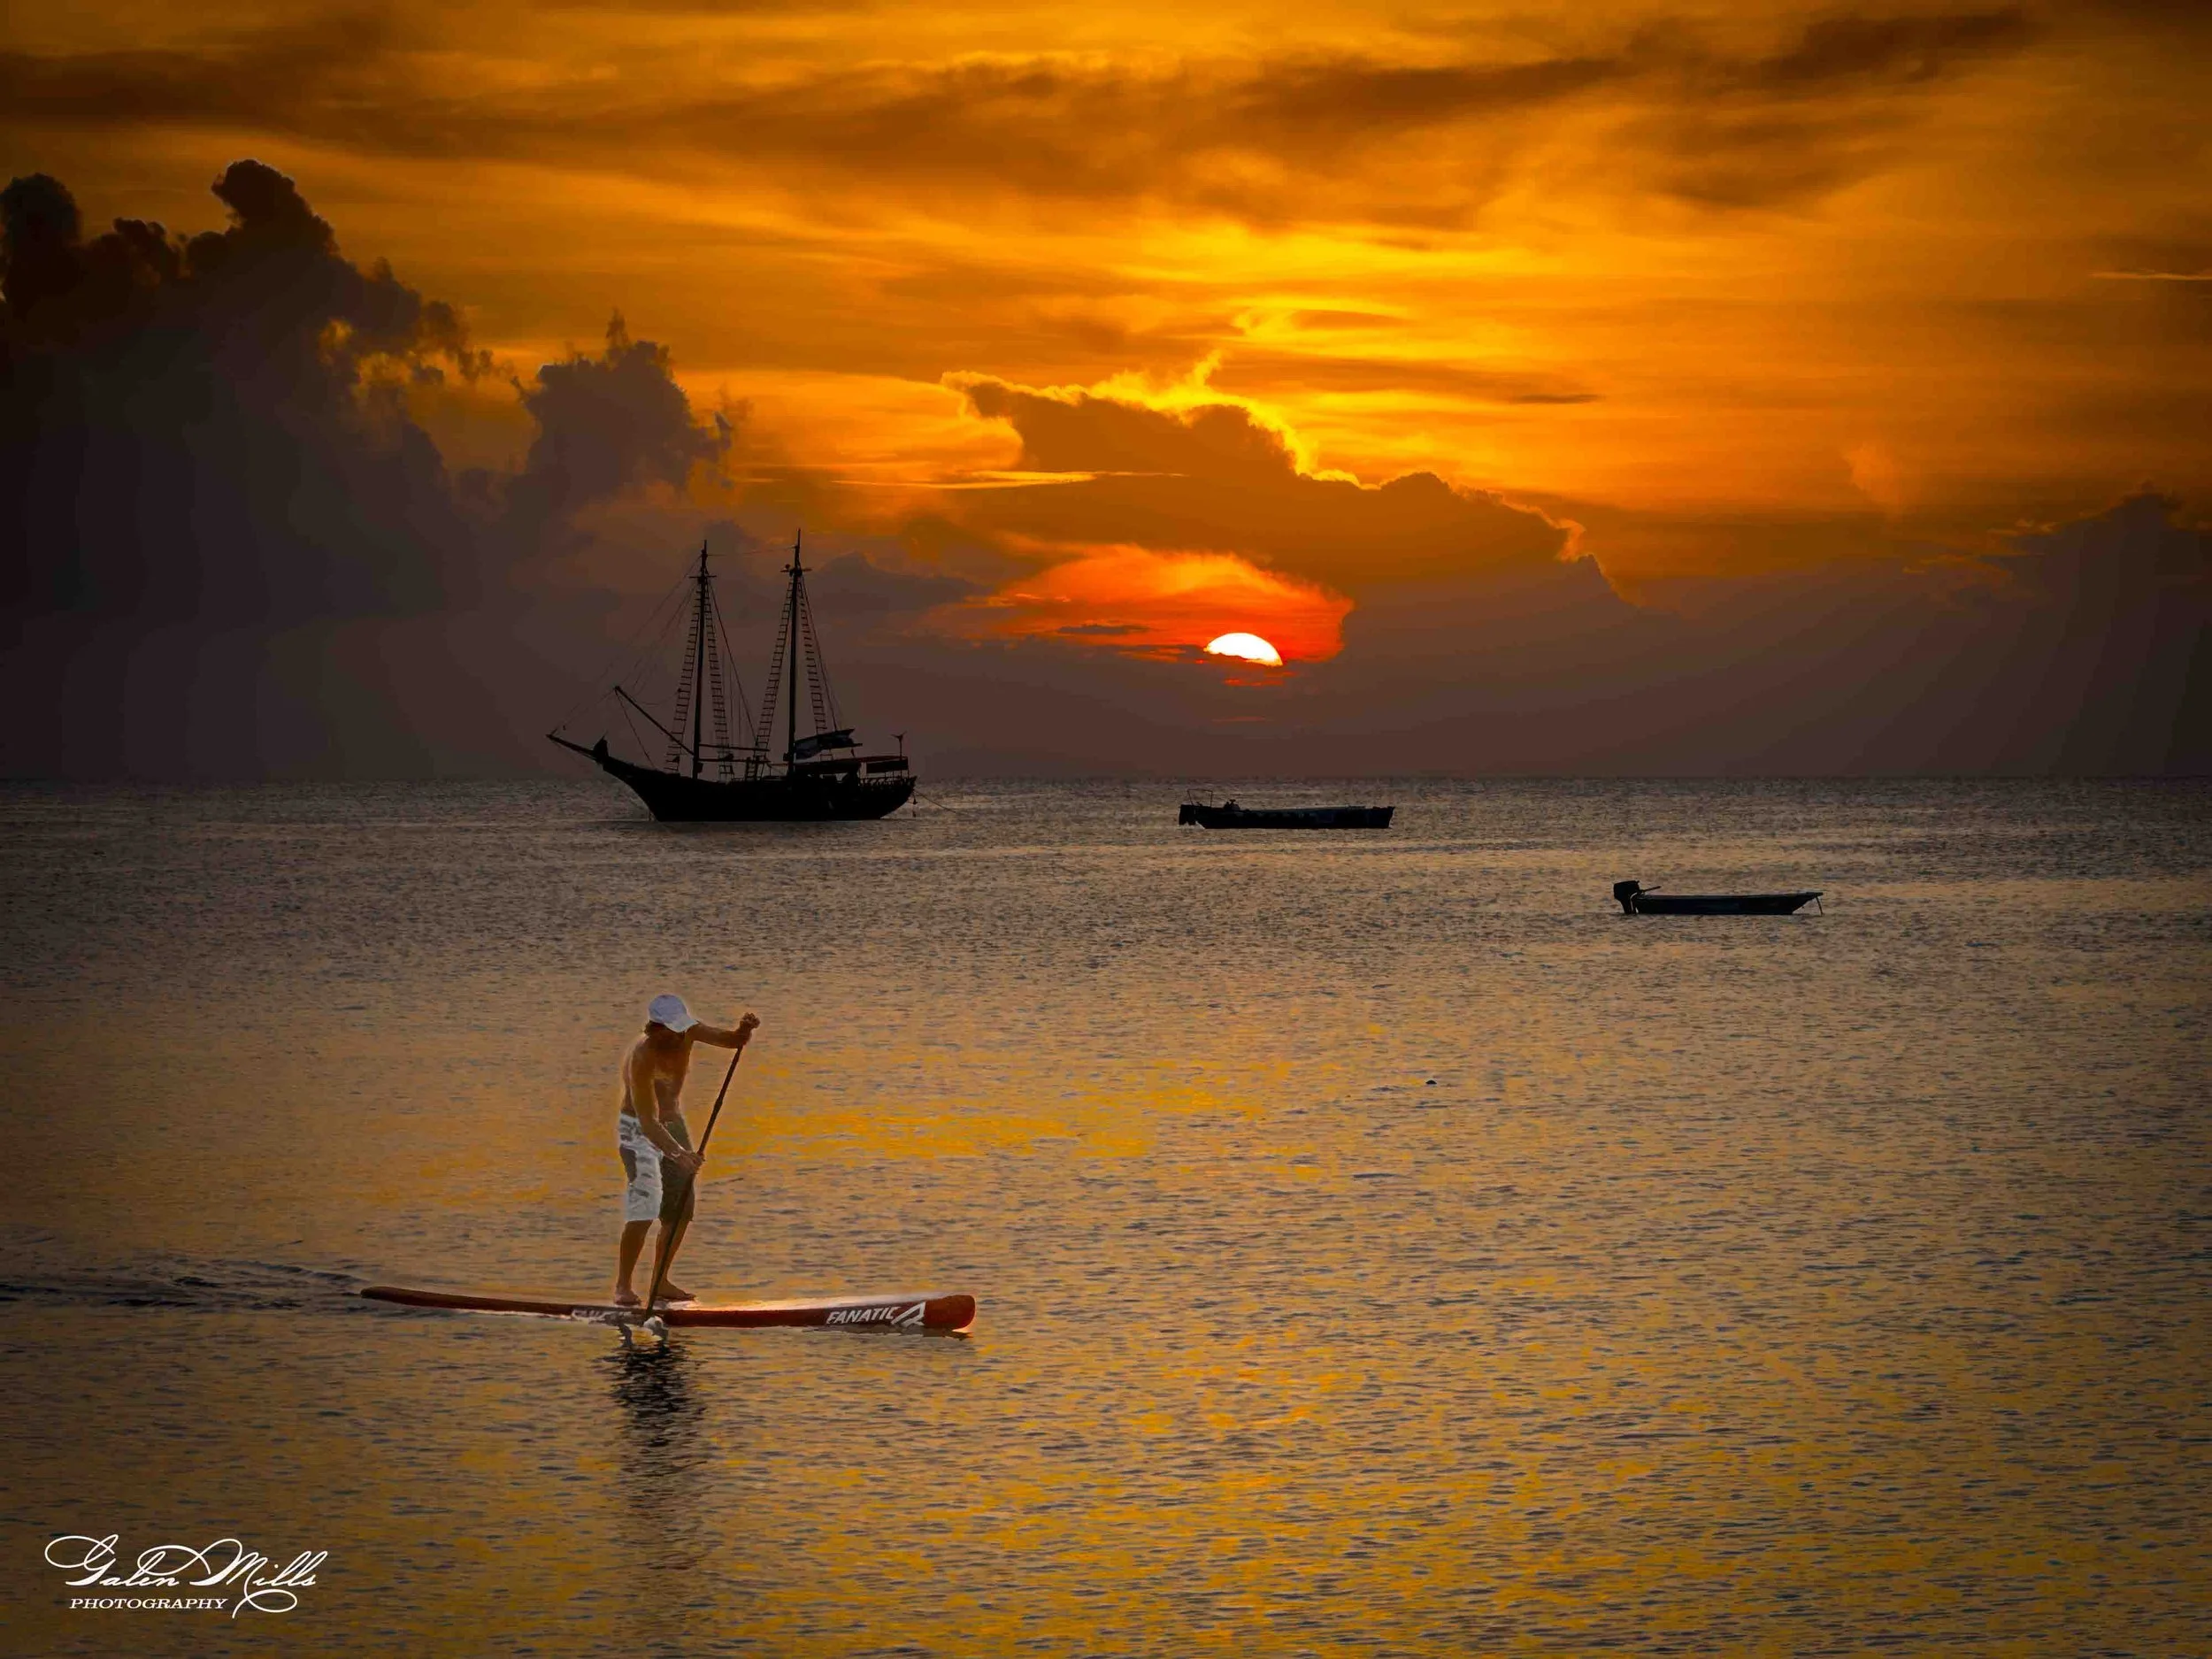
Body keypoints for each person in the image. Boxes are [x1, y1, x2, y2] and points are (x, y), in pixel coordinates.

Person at [614, 993, 758, 1307]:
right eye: (672, 1030)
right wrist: (679, 1154)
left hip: (672, 1122)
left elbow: (731, 1041)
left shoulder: (688, 1030)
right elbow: (648, 1121)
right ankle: (623, 1286)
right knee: (645, 1205)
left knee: (681, 1206)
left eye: (682, 1028)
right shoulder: (642, 1055)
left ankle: (660, 1281)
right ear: (655, 1028)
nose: (680, 1035)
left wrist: (744, 1030)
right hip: (638, 1129)